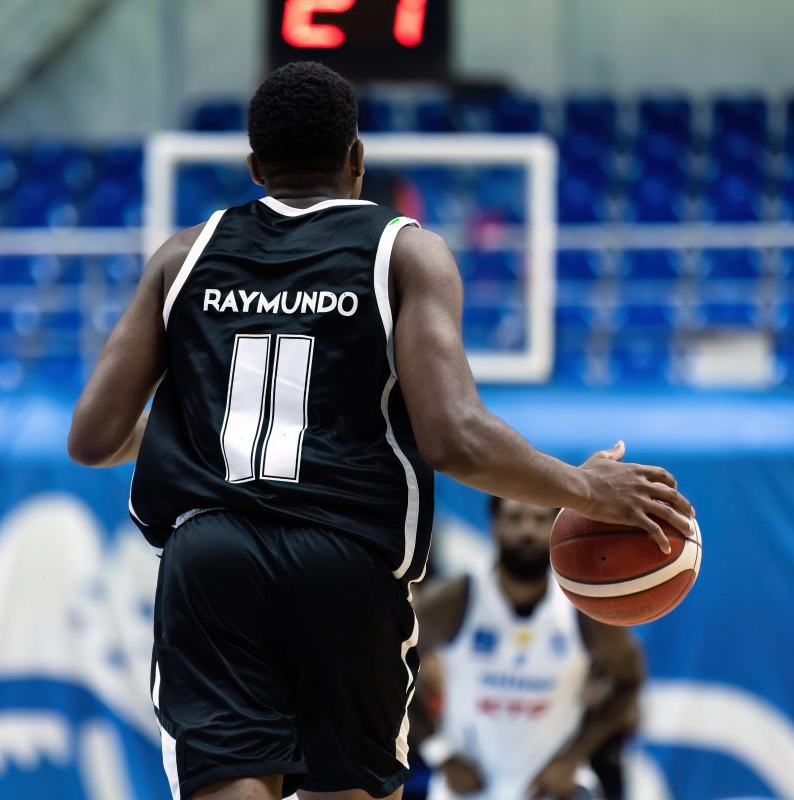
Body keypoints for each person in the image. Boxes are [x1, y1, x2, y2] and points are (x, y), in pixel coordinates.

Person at [67, 61, 694, 800]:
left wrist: (197, 425)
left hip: (211, 559)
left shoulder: (183, 256)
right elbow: (454, 438)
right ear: (357, 159)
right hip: (344, 557)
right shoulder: (405, 251)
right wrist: (585, 487)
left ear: (255, 166)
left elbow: (93, 438)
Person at [412, 498, 643, 800]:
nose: (527, 531)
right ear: (494, 524)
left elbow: (629, 680)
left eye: (540, 520)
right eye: (515, 518)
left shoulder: (582, 608)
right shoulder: (456, 599)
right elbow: (389, 667)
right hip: (468, 788)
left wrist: (574, 757)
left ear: (558, 529)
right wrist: (440, 752)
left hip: (550, 789)